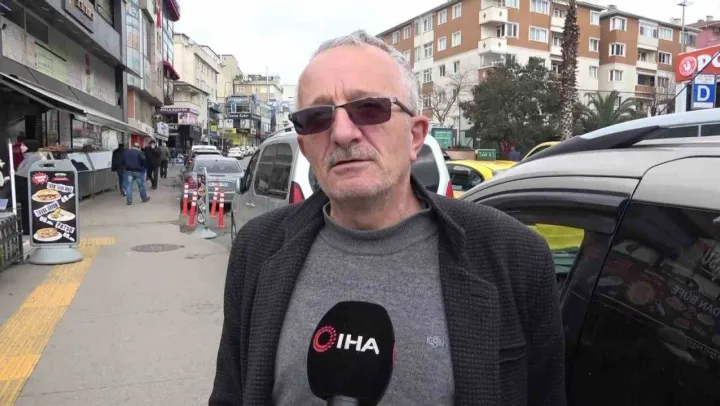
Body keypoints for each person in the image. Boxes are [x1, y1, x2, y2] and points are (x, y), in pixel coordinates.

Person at [209, 31, 565, 406]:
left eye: (368, 109)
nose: (342, 133)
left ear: (416, 136)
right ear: (305, 147)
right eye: (317, 117)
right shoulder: (258, 248)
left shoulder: (513, 256)